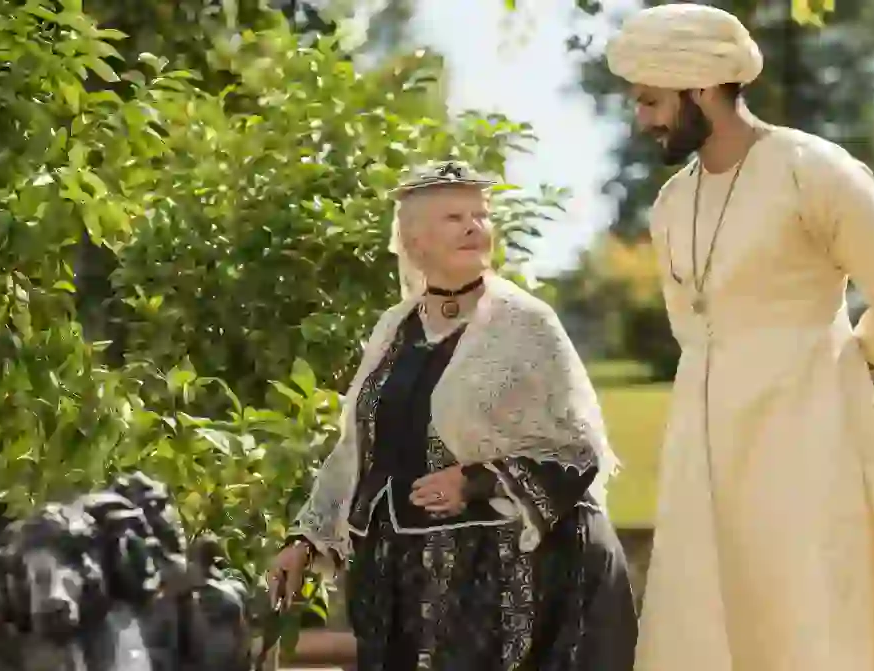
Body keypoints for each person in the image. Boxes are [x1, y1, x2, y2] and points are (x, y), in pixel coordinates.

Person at [605, 5, 874, 671]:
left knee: (809, 613)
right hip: (703, 446)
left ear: (701, 87)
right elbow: (688, 326)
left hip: (808, 437)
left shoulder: (811, 168)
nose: (642, 119)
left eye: (651, 100)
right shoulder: (671, 202)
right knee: (704, 619)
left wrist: (842, 371)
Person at [267, 160, 638, 671]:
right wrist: (306, 539)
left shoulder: (526, 324)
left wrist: (477, 480)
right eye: (453, 217)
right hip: (396, 587)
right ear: (414, 241)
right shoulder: (393, 328)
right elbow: (357, 449)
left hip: (499, 585)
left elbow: (577, 451)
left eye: (481, 215)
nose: (473, 226)